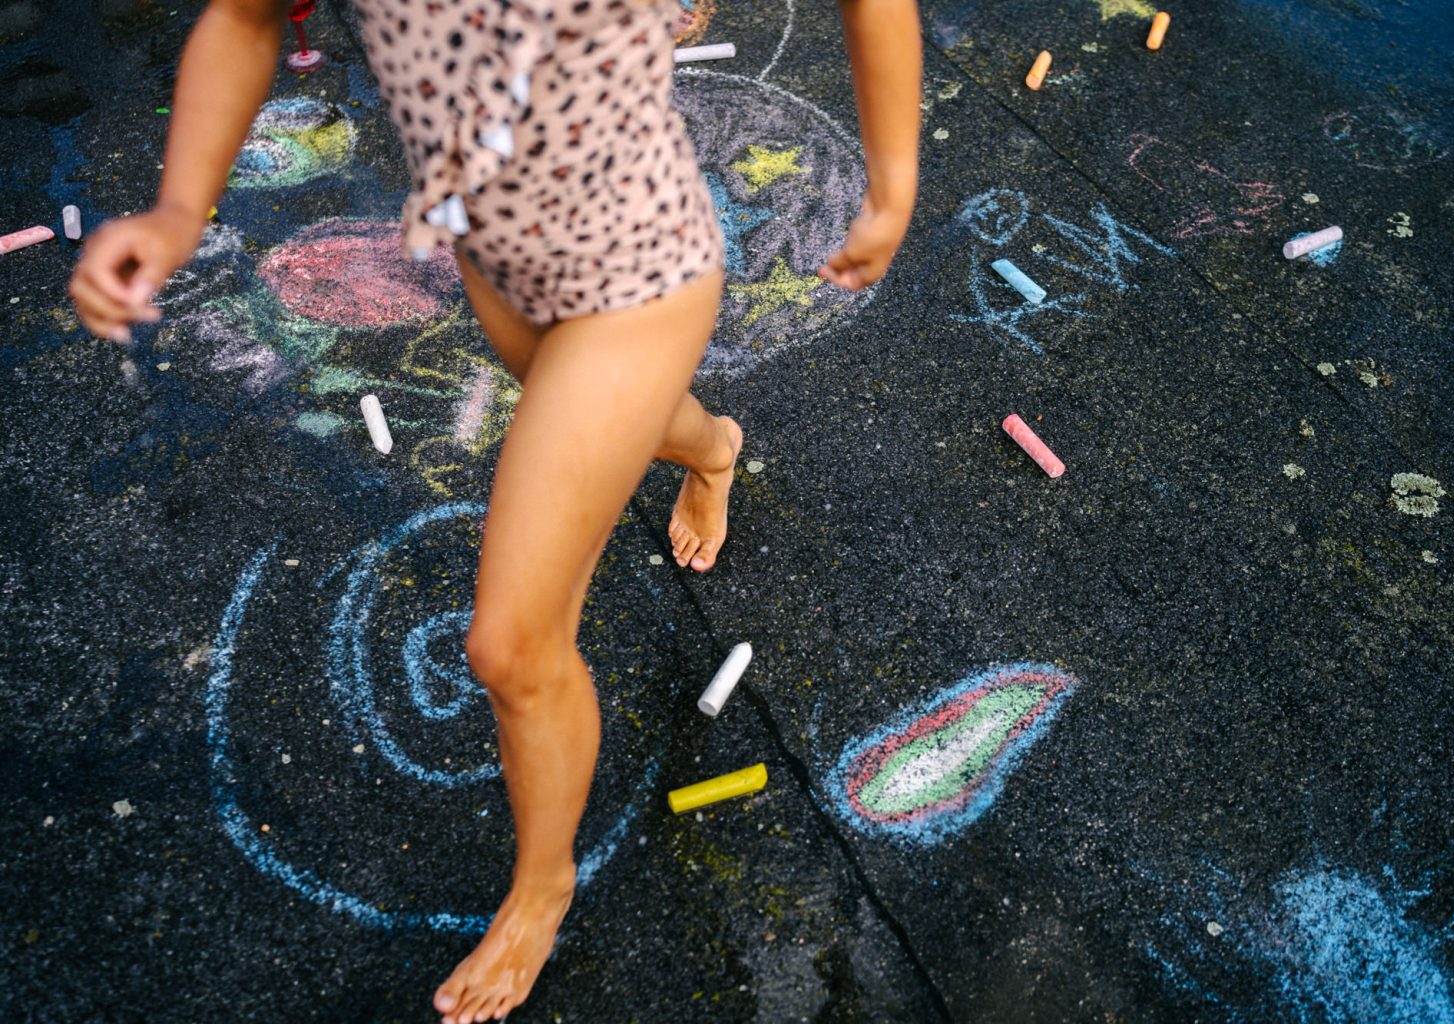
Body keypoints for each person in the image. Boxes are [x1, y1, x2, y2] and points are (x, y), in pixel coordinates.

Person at [69, 0, 920, 1017]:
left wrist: (895, 177)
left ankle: (541, 885)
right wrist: (178, 207)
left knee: (511, 647)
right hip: (496, 255)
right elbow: (246, 17)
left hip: (641, 273)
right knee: (634, 424)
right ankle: (712, 447)